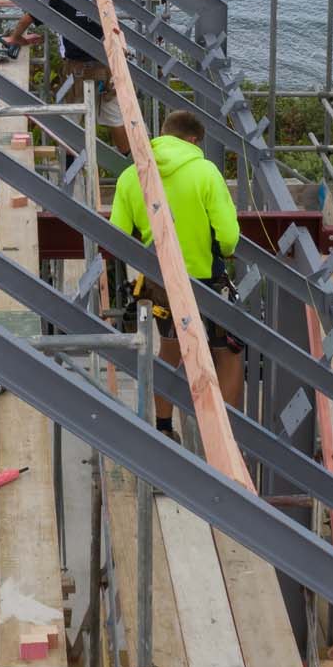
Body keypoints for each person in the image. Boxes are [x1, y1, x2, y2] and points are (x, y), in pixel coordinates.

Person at [108, 109, 244, 436]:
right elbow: (228, 238)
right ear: (193, 139)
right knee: (229, 350)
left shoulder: (133, 175)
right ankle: (222, 433)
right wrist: (219, 250)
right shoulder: (206, 172)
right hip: (206, 285)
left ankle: (165, 426)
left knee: (170, 347)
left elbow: (115, 235)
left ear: (165, 133)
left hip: (158, 287)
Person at [2, 0, 130, 154]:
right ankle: (128, 162)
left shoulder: (58, 2)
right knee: (113, 117)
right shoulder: (94, 2)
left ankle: (71, 168)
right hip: (104, 68)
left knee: (72, 121)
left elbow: (26, 19)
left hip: (77, 71)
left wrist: (16, 38)